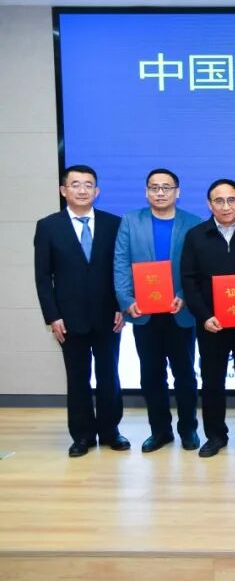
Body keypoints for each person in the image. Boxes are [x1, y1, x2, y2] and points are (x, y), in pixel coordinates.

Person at [34, 165, 127, 457]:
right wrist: (53, 316)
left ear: (97, 191)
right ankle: (82, 436)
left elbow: (122, 270)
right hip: (68, 319)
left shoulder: (114, 224)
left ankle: (111, 431)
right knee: (77, 378)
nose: (82, 190)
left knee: (109, 375)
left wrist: (122, 306)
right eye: (75, 184)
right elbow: (42, 276)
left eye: (88, 185)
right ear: (63, 190)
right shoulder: (48, 226)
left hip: (108, 316)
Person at [113, 168, 201, 454]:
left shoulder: (193, 223)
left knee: (185, 375)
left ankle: (188, 429)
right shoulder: (130, 221)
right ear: (146, 191)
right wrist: (126, 300)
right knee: (151, 375)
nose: (160, 192)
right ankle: (160, 431)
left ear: (178, 191)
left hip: (180, 312)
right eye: (154, 187)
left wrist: (184, 296)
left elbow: (197, 268)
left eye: (166, 187)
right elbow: (121, 263)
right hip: (143, 312)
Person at [180, 179, 235, 458]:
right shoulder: (196, 236)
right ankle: (215, 435)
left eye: (232, 200)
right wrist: (204, 316)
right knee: (212, 380)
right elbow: (189, 280)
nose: (226, 206)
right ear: (209, 205)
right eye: (219, 201)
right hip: (212, 324)